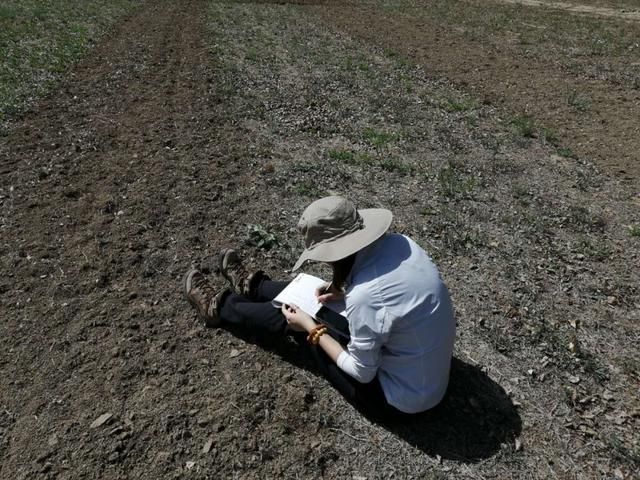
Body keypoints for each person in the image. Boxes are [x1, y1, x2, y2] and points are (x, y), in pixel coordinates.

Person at [183, 196, 456, 417]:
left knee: (301, 318)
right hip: (422, 376)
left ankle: (222, 307)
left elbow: (362, 372)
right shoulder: (401, 244)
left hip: (396, 399)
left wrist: (311, 328)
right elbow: (388, 301)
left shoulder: (366, 296)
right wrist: (339, 288)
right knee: (313, 298)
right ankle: (255, 288)